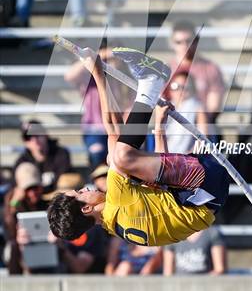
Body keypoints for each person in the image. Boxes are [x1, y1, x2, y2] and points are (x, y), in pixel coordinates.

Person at [47, 46, 230, 247]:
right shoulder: (118, 202)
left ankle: (151, 83)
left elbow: (161, 190)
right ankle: (153, 81)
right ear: (86, 209)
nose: (84, 188)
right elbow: (115, 133)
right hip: (203, 185)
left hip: (205, 195)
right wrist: (97, 71)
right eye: (80, 193)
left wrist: (159, 130)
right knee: (120, 158)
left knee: (115, 159)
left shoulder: (115, 223)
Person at [65, 43, 125, 169]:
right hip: (95, 128)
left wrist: (115, 58)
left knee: (122, 159)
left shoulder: (123, 77)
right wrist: (100, 57)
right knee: (97, 155)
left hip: (118, 126)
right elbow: (69, 76)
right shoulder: (88, 75)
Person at [168, 21, 225, 125]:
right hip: (172, 128)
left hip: (202, 127)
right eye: (179, 42)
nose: (184, 45)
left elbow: (214, 107)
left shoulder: (210, 69)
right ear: (172, 43)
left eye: (189, 41)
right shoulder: (166, 70)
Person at [3, 163, 49, 274]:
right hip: (20, 247)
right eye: (28, 189)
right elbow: (9, 231)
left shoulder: (46, 203)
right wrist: (14, 204)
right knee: (13, 246)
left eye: (35, 188)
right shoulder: (13, 204)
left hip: (44, 244)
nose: (32, 193)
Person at [14, 119, 72, 195]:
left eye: (36, 134)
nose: (34, 140)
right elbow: (16, 190)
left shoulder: (61, 154)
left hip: (57, 199)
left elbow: (64, 184)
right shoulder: (22, 162)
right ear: (24, 142)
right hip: (33, 202)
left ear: (45, 135)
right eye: (28, 137)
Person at [164, 70, 208, 154]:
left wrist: (189, 156)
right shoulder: (164, 107)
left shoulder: (197, 107)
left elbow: (203, 137)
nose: (180, 91)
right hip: (166, 155)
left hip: (187, 157)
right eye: (176, 86)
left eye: (185, 87)